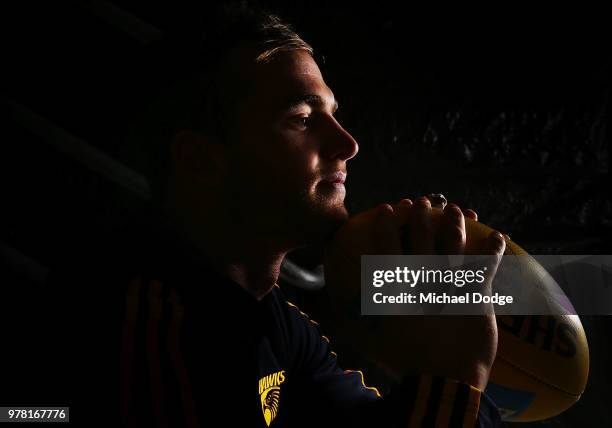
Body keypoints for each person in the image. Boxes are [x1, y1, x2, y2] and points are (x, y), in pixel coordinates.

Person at [31, 4, 506, 427]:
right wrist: (456, 378)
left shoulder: (271, 316)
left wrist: (435, 365)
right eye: (303, 119)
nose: (348, 144)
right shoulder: (146, 326)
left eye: (335, 114)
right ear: (201, 160)